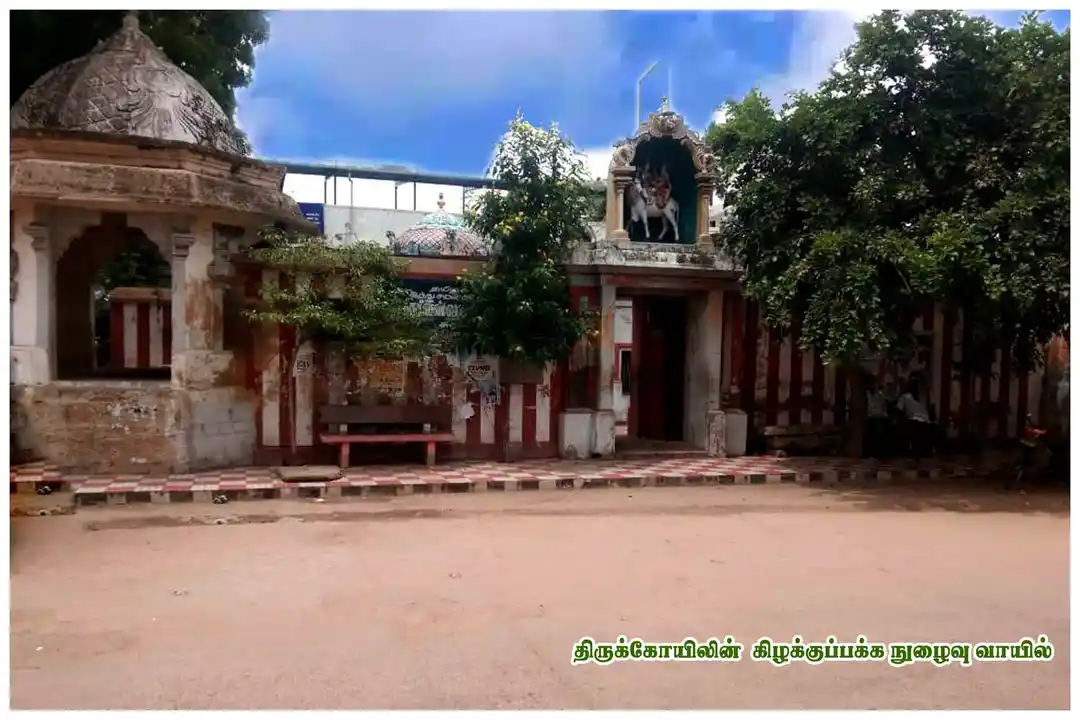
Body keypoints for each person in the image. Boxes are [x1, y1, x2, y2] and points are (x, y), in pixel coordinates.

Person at [896, 377, 935, 455]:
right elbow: (899, 410)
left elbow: (930, 410)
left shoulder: (924, 397)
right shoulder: (906, 397)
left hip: (923, 422)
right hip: (913, 422)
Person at [864, 374, 892, 458]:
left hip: (880, 418)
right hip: (872, 418)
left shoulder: (880, 394)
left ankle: (881, 454)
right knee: (872, 437)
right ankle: (872, 453)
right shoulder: (867, 394)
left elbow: (885, 403)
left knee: (880, 437)